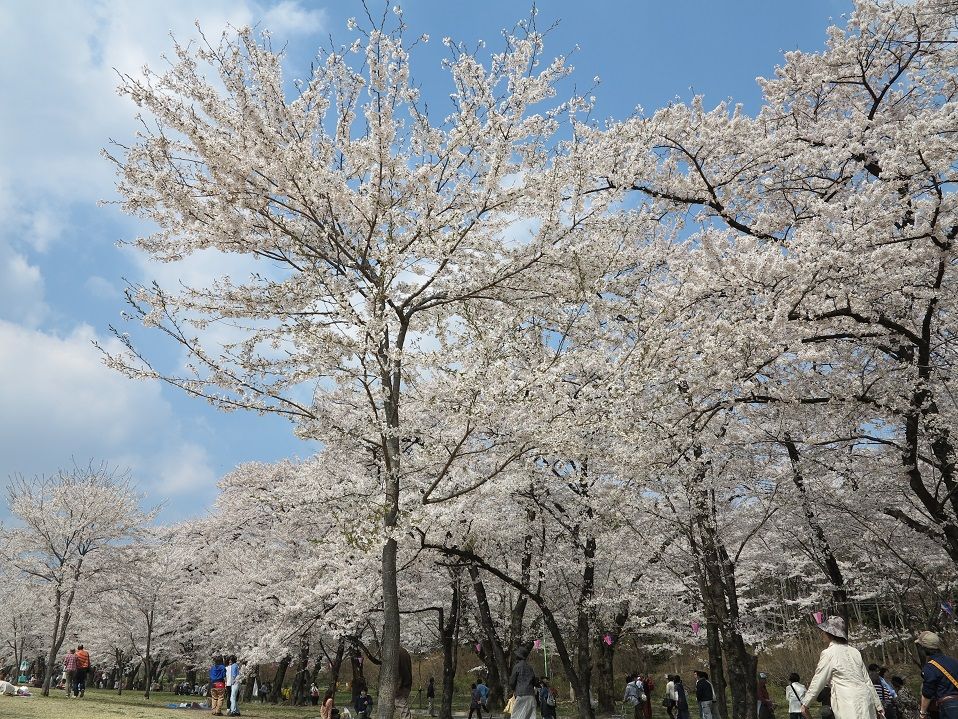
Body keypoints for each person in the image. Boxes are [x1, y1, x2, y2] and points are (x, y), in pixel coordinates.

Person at [800, 616, 884, 719]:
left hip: (847, 700)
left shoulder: (829, 653)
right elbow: (867, 681)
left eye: (824, 631)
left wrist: (805, 703)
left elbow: (819, 680)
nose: (822, 634)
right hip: (865, 698)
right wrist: (878, 705)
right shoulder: (855, 652)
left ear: (829, 633)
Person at [917, 630, 958, 719]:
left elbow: (927, 693)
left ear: (924, 648)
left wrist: (922, 713)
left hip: (948, 709)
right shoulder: (954, 661)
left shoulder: (930, 667)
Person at [508, 643, 538, 719]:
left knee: (517, 715)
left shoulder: (517, 667)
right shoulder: (530, 667)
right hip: (530, 694)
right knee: (529, 716)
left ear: (518, 656)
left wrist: (512, 689)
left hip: (521, 694)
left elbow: (512, 682)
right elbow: (535, 681)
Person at [395, 646, 413, 719]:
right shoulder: (404, 651)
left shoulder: (395, 652)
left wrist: (398, 686)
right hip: (406, 683)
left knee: (401, 706)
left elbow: (399, 671)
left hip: (401, 685)